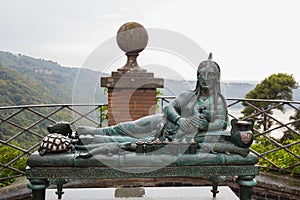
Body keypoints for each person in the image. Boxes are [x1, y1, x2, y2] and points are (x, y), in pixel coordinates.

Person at [76, 54, 229, 145]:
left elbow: (222, 123)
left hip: (173, 136)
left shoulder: (218, 102)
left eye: (210, 75)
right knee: (131, 127)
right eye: (202, 75)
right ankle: (100, 131)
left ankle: (95, 139)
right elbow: (168, 108)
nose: (205, 79)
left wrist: (204, 126)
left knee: (133, 140)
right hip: (162, 121)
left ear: (217, 78)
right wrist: (179, 120)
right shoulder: (188, 96)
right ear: (197, 77)